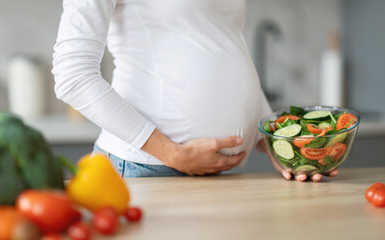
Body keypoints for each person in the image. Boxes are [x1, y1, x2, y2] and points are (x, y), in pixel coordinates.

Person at [52, 0, 337, 182]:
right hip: (146, 169)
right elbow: (72, 76)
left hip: (216, 172)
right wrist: (171, 154)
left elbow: (222, 45)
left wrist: (275, 142)